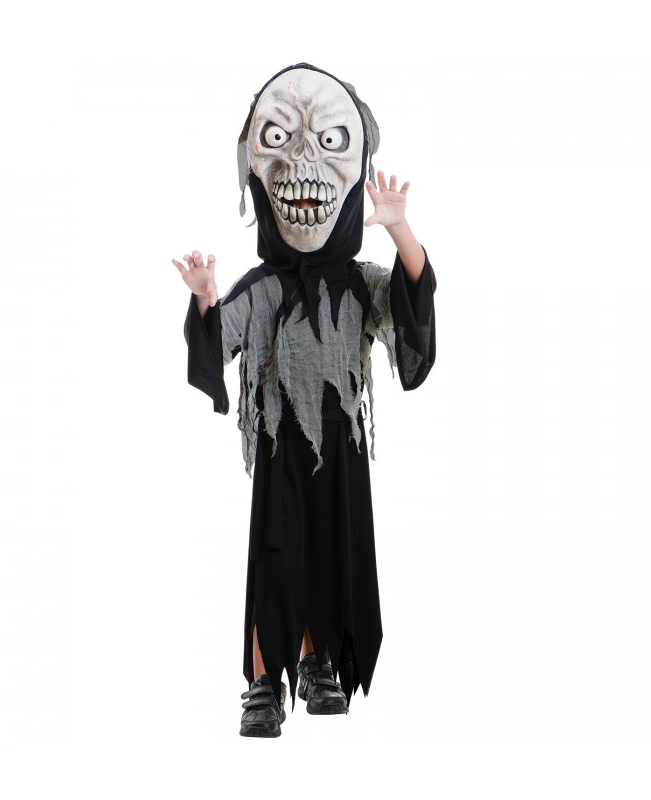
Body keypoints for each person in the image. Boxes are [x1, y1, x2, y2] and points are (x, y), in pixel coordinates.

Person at [172, 63, 437, 738]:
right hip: (278, 447)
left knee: (332, 551)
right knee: (276, 555)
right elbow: (218, 338)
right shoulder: (263, 286)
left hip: (341, 449)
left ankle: (319, 666)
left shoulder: (358, 283)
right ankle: (264, 681)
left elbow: (412, 303)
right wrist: (205, 299)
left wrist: (400, 229)